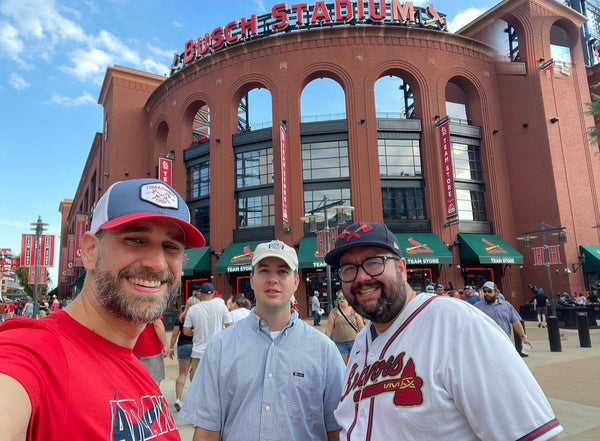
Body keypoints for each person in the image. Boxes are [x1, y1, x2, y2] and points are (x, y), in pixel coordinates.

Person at [0, 177, 206, 440]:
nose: (157, 263)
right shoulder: (33, 352)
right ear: (89, 250)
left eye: (170, 246)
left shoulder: (136, 370)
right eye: (136, 239)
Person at [324, 221, 562, 441]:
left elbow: (536, 436)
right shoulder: (363, 339)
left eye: (374, 262)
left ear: (402, 268)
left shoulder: (458, 325)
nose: (361, 277)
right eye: (348, 269)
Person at [180, 239, 345, 441]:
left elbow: (336, 431)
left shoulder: (324, 351)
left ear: (295, 282)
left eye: (283, 272)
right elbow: (206, 432)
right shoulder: (221, 347)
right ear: (252, 278)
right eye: (264, 270)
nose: (272, 279)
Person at [183, 281, 232, 381]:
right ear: (213, 294)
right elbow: (229, 326)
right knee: (215, 382)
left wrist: (196, 332)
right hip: (216, 351)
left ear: (200, 294)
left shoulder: (193, 309)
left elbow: (186, 331)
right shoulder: (221, 307)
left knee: (197, 382)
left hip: (198, 351)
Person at [474, 281, 533, 349]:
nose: (486, 293)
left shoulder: (506, 305)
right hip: (486, 343)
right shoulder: (477, 307)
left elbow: (515, 322)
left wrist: (523, 337)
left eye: (489, 291)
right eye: (485, 291)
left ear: (496, 292)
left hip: (505, 341)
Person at [169, 296, 200, 411]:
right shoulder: (198, 317)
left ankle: (178, 399)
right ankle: (195, 400)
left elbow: (174, 335)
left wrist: (171, 348)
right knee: (196, 374)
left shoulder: (181, 317)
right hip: (197, 346)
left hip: (183, 345)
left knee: (182, 374)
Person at [325, 290, 365, 364]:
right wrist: (324, 343)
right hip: (340, 344)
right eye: (339, 298)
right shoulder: (333, 312)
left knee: (354, 366)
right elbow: (329, 330)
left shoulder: (354, 311)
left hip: (354, 343)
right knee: (343, 367)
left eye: (344, 297)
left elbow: (361, 328)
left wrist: (364, 342)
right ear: (337, 300)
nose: (342, 299)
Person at [133, 317, 169, 386]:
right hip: (151, 349)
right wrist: (165, 344)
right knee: (154, 380)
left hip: (133, 348)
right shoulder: (151, 306)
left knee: (137, 381)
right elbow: (157, 324)